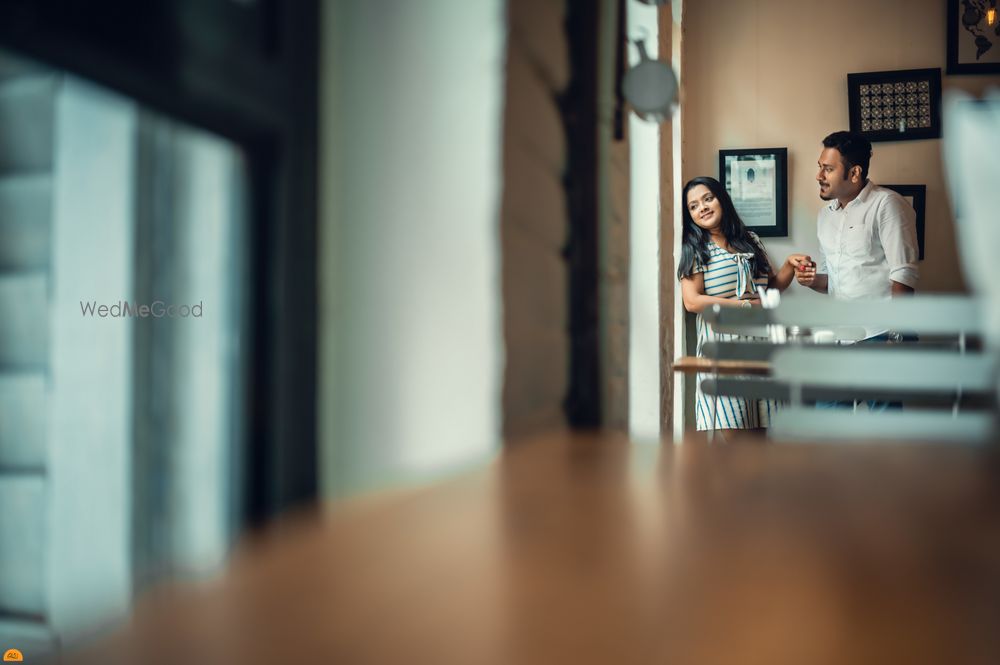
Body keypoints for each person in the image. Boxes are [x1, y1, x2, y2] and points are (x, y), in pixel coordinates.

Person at [795, 130, 920, 410]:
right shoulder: (824, 217)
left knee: (884, 430)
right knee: (827, 421)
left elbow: (904, 275)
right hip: (841, 336)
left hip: (881, 334)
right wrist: (812, 280)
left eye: (828, 169)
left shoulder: (887, 205)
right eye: (819, 167)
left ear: (854, 173)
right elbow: (835, 280)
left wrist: (895, 339)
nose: (819, 176)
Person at [678, 176, 809, 433]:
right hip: (724, 352)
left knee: (768, 434)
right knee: (734, 436)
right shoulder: (694, 248)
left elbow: (767, 291)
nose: (702, 207)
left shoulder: (750, 240)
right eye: (693, 206)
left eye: (707, 199)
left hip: (764, 349)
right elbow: (692, 301)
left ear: (722, 199)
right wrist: (744, 307)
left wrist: (789, 267)